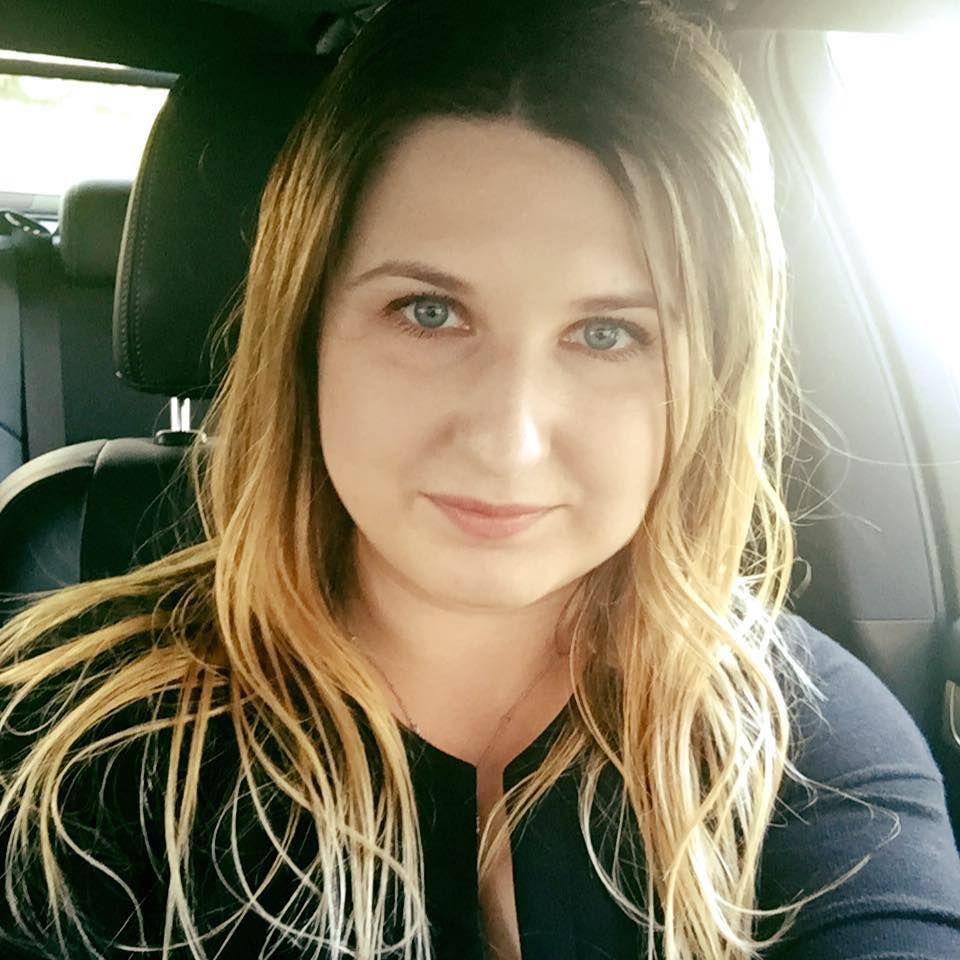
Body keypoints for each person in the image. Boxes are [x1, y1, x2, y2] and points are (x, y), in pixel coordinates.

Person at [2, 0, 960, 958]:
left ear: (707, 380)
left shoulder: (799, 745)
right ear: (305, 332)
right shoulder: (76, 743)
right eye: (427, 311)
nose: (508, 439)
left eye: (608, 334)